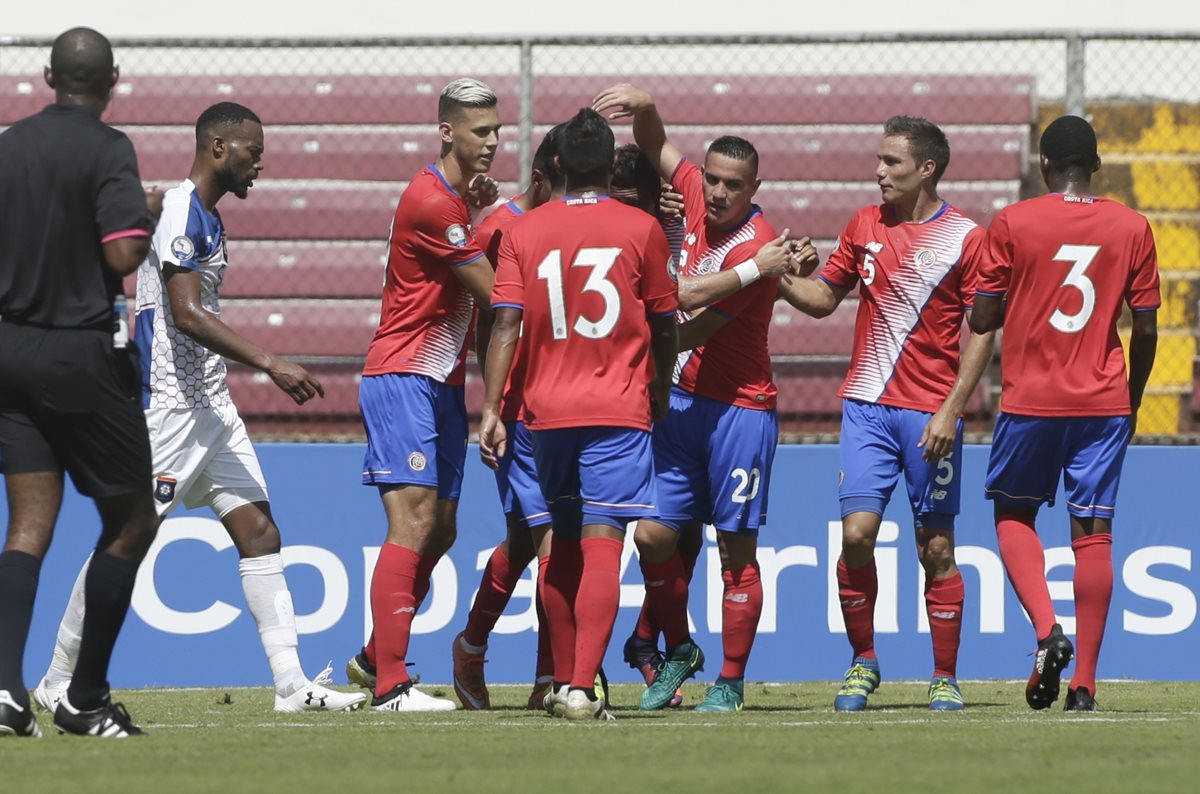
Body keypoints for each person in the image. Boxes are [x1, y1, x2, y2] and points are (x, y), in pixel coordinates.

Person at [29, 101, 367, 717]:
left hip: (211, 405)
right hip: (172, 408)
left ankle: (292, 685)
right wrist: (270, 361)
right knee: (126, 537)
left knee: (260, 531)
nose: (260, 163)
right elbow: (183, 313)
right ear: (218, 147)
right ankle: (56, 678)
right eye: (252, 151)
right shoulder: (183, 210)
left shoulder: (207, 216)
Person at [593, 84, 802, 713]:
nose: (715, 192)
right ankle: (679, 646)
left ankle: (732, 682)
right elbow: (653, 143)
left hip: (740, 411)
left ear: (752, 187)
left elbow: (689, 311)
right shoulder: (723, 228)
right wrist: (646, 102)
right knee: (653, 537)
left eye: (731, 185)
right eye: (710, 179)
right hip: (682, 405)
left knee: (736, 554)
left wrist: (759, 270)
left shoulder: (755, 241)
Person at [774, 116, 995, 712]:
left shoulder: (966, 239)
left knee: (937, 549)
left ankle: (945, 674)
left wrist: (953, 410)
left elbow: (981, 333)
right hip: (867, 408)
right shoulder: (864, 225)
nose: (878, 172)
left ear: (926, 168)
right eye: (878, 160)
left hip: (930, 413)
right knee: (856, 535)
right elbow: (821, 299)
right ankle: (863, 661)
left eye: (891, 163)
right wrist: (775, 277)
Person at [479, 107, 679, 721]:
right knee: (602, 544)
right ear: (610, 162)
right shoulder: (641, 227)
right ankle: (579, 686)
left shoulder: (524, 231)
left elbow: (505, 323)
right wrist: (661, 385)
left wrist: (491, 408)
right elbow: (665, 320)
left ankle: (565, 677)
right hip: (617, 406)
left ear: (558, 163)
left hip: (544, 412)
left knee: (559, 545)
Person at [0, 27, 161, 739]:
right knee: (132, 521)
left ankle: (4, 692)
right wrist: (147, 218)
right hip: (77, 352)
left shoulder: (7, 146)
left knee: (28, 525)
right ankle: (84, 698)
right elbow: (123, 253)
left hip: (9, 349)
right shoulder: (108, 148)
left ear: (47, 76)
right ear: (112, 79)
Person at [970, 115, 1159, 712]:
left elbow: (982, 318)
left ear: (1044, 165)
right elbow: (1148, 325)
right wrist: (1132, 396)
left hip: (1031, 399)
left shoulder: (1014, 222)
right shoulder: (1132, 226)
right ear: (1096, 166)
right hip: (1103, 401)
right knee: (1094, 536)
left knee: (1013, 513)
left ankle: (1048, 632)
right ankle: (1086, 687)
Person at [351, 78, 501, 713]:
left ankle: (370, 657)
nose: (493, 141)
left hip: (440, 381)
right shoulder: (433, 203)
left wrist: (484, 211)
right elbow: (499, 294)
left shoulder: (455, 201)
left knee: (440, 527)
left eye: (497, 130)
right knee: (411, 522)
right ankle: (390, 684)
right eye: (481, 131)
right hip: (405, 372)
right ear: (447, 131)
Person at [451, 125, 565, 711]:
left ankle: (470, 647)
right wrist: (494, 404)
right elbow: (491, 326)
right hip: (520, 411)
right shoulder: (500, 229)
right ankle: (552, 678)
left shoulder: (555, 224)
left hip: (561, 404)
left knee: (526, 538)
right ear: (543, 179)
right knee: (552, 538)